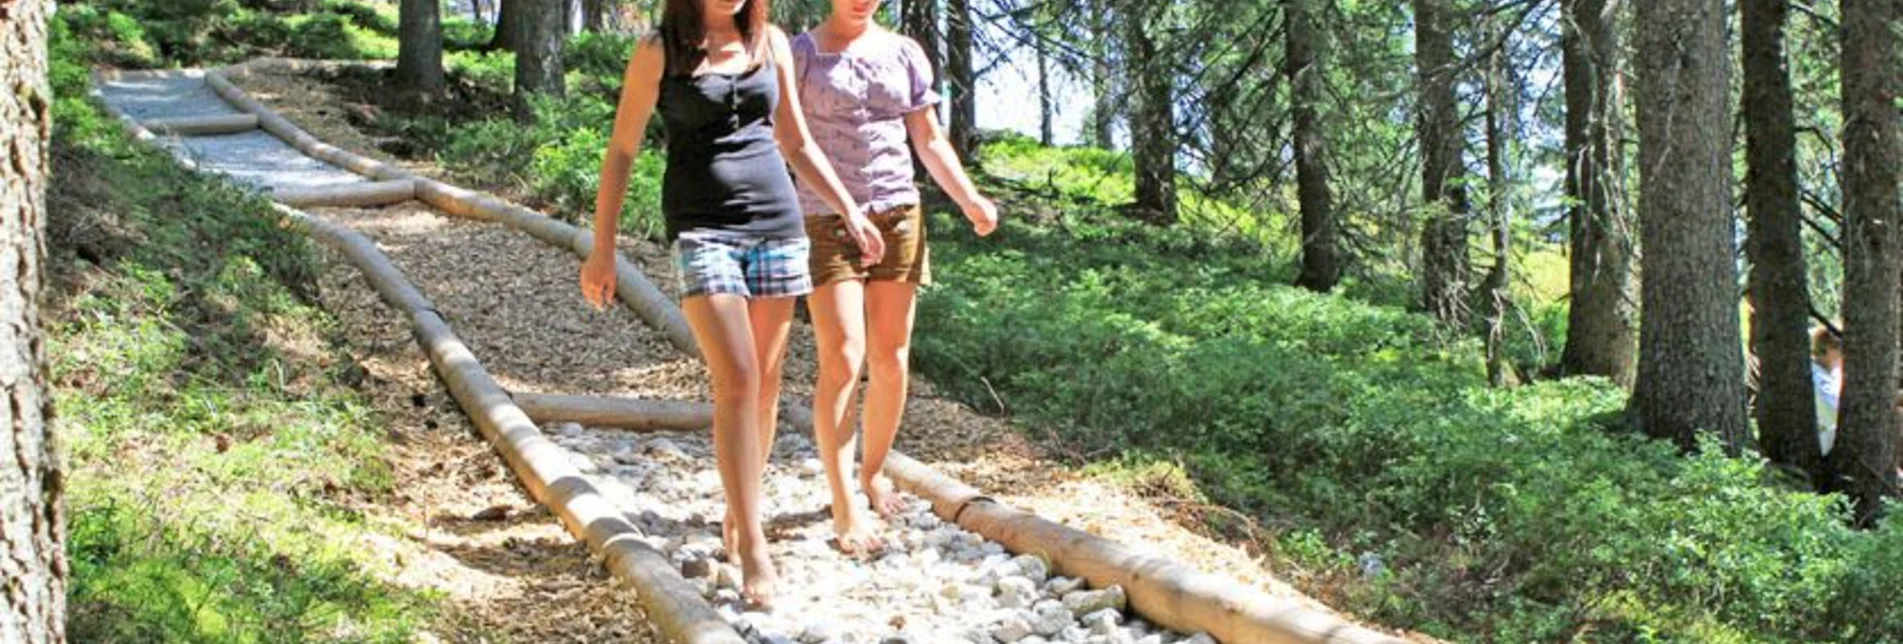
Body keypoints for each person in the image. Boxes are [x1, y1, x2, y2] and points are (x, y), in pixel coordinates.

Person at [578, 0, 885, 608]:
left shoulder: (770, 41)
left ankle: (737, 509)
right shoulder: (658, 51)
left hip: (778, 225)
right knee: (738, 378)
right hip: (701, 229)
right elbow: (621, 151)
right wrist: (602, 249)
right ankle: (753, 543)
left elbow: (793, 140)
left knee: (766, 384)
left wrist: (848, 209)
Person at [791, 0, 1000, 553]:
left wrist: (969, 198)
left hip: (899, 214)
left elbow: (927, 138)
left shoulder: (905, 53)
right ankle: (842, 503)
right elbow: (785, 139)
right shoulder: (802, 55)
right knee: (841, 358)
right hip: (825, 218)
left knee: (890, 357)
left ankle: (872, 472)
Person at [1811, 325, 1843, 456]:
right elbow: (1834, 412)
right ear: (1829, 350)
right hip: (1824, 439)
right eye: (1840, 348)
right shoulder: (1816, 377)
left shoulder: (1834, 373)